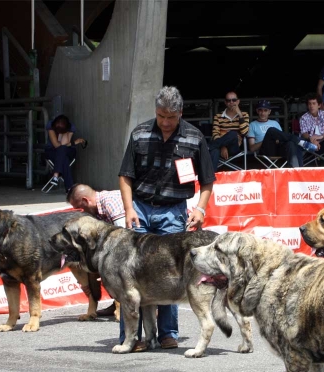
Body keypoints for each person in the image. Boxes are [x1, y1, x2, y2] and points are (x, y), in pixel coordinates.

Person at [118, 85, 215, 351]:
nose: (165, 122)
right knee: (130, 272)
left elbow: (207, 181)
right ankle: (131, 336)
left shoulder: (195, 138)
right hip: (140, 209)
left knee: (171, 272)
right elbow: (125, 175)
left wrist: (200, 209)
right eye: (161, 116)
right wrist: (129, 209)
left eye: (171, 117)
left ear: (180, 113)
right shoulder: (139, 134)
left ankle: (167, 333)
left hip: (173, 211)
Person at [66, 183, 125, 318]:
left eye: (80, 208)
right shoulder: (95, 211)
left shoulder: (110, 203)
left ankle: (137, 305)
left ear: (86, 201)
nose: (82, 212)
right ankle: (116, 301)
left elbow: (124, 237)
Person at [247, 99, 315, 168]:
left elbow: (282, 139)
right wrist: (266, 139)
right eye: (260, 110)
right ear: (257, 111)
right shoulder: (252, 125)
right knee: (271, 130)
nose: (263, 113)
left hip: (278, 148)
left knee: (290, 144)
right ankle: (298, 140)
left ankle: (297, 169)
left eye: (265, 110)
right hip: (265, 150)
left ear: (269, 111)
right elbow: (252, 148)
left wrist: (276, 140)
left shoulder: (275, 123)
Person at [208, 91, 249, 171]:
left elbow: (245, 133)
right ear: (225, 103)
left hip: (234, 147)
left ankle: (208, 147)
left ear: (238, 101)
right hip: (219, 147)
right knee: (214, 151)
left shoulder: (244, 115)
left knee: (233, 134)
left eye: (234, 100)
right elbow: (215, 134)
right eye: (228, 100)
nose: (231, 102)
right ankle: (211, 179)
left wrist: (240, 115)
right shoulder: (218, 116)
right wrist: (222, 146)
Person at [45, 114, 86, 193]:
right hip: (52, 151)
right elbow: (56, 145)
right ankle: (70, 188)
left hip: (67, 150)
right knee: (64, 159)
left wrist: (64, 133)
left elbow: (63, 143)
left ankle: (56, 175)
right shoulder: (50, 125)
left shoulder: (71, 127)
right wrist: (75, 142)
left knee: (63, 150)